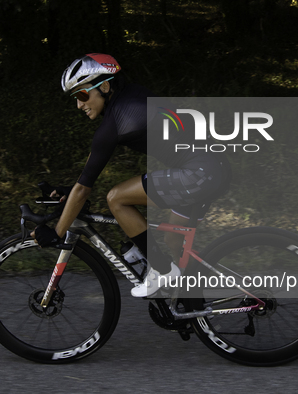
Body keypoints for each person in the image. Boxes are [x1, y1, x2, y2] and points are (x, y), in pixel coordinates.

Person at [32, 53, 231, 297]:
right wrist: (71, 189)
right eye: (75, 98)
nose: (79, 105)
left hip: (199, 173)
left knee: (116, 197)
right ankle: (192, 305)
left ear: (104, 86)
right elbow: (86, 176)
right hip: (213, 167)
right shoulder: (131, 97)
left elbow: (85, 188)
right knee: (172, 240)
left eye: (83, 95)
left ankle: (160, 269)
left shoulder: (116, 121)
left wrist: (56, 232)